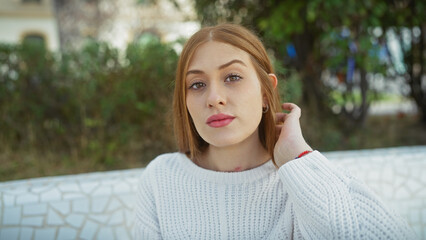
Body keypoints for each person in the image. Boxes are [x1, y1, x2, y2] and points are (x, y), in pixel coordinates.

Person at [134, 23, 416, 239]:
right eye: (197, 84)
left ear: (266, 92)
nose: (214, 98)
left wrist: (298, 158)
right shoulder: (161, 179)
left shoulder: (302, 181)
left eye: (232, 77)